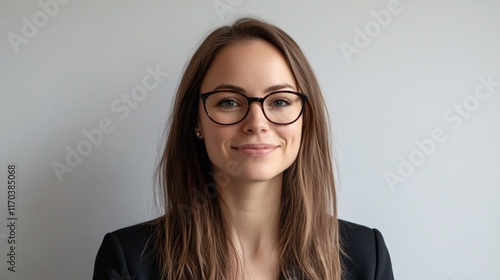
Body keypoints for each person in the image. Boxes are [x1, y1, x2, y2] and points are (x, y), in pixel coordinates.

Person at [92, 17, 394, 280]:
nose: (256, 123)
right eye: (229, 102)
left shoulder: (366, 256)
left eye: (279, 101)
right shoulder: (129, 261)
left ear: (305, 119)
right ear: (196, 120)